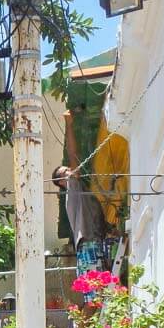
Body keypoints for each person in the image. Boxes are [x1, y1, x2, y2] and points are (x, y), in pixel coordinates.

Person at [52, 109, 108, 280]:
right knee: (95, 294)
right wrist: (69, 125)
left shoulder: (79, 191)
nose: (69, 171)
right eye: (65, 172)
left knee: (98, 293)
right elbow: (73, 156)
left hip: (92, 244)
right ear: (62, 182)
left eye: (68, 170)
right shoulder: (72, 188)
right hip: (88, 245)